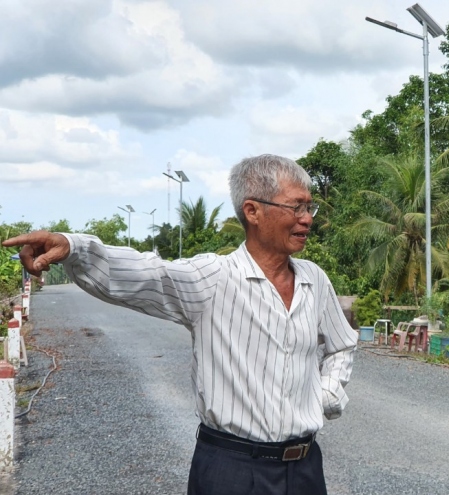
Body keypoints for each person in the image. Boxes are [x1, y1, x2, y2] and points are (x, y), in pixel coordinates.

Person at [3, 154, 358, 495]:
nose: (307, 218)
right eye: (296, 207)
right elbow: (149, 274)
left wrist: (325, 396)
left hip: (305, 470)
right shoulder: (215, 277)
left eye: (309, 207)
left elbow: (342, 343)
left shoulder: (314, 278)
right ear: (253, 211)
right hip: (231, 469)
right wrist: (74, 246)